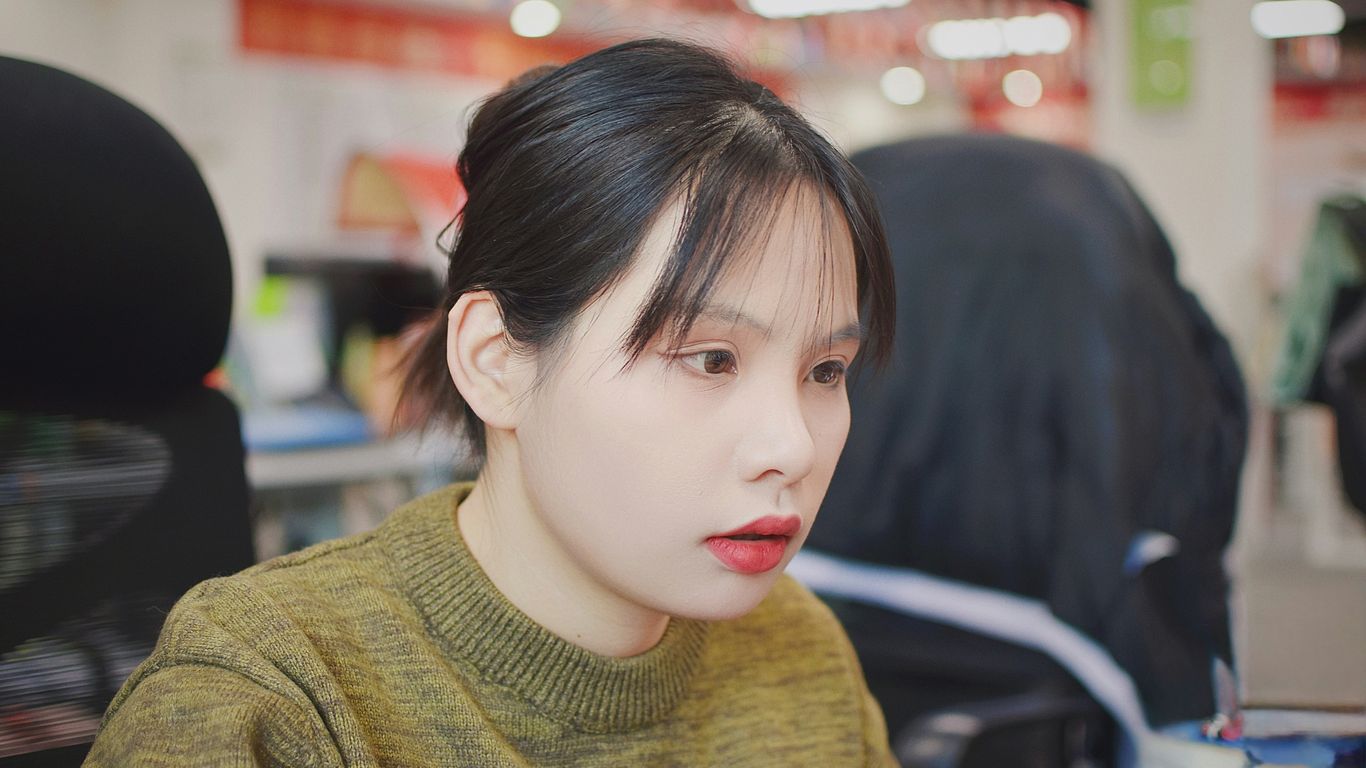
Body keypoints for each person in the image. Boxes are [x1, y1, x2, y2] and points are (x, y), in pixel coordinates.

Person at [85, 38, 897, 766]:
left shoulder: (798, 647)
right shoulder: (280, 702)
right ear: (494, 361)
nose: (791, 446)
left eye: (826, 371)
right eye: (712, 359)